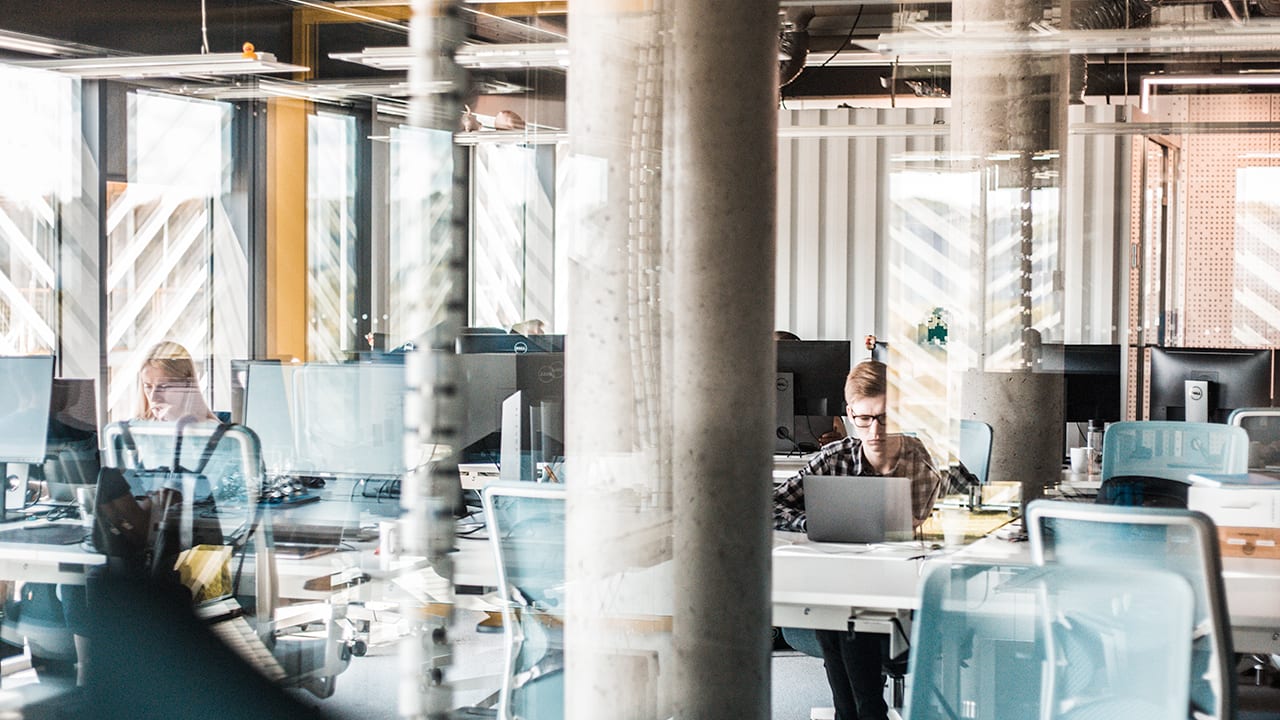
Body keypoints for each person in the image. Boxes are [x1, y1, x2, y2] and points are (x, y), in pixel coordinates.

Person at [773, 359, 943, 720]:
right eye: (865, 419)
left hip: (906, 604)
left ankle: (858, 713)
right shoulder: (836, 458)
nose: (876, 430)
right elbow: (771, 505)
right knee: (842, 613)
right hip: (848, 592)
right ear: (850, 414)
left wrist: (920, 531)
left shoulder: (921, 462)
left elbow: (947, 531)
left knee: (844, 618)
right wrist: (814, 522)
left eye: (885, 417)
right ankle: (865, 713)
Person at [136, 341, 217, 422]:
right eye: (148, 386)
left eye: (164, 386)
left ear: (187, 384)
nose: (153, 398)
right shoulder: (136, 427)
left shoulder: (209, 428)